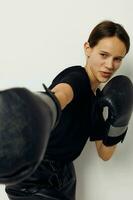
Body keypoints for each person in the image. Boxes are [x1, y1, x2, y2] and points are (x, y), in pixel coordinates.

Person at [3, 20, 133, 200]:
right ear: (88, 48)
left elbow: (105, 154)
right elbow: (62, 94)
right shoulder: (76, 78)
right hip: (34, 180)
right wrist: (43, 105)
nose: (110, 65)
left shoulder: (99, 100)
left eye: (117, 59)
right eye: (104, 54)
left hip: (64, 176)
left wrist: (120, 122)